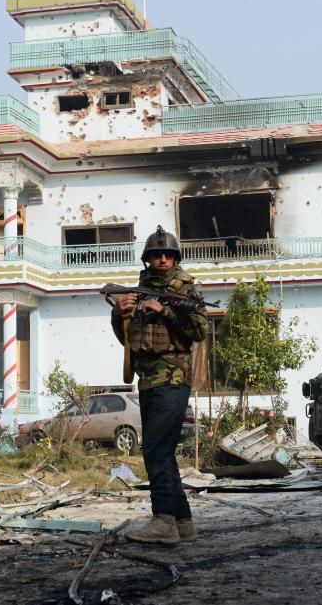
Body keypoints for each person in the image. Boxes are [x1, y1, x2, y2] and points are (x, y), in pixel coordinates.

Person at [111, 225, 208, 544]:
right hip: (148, 381)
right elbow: (128, 338)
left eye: (168, 254)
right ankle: (182, 523)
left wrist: (164, 310)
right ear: (148, 259)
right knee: (161, 451)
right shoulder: (138, 290)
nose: (163, 259)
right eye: (156, 255)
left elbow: (198, 332)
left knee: (155, 448)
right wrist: (119, 312)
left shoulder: (185, 288)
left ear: (175, 257)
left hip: (173, 379)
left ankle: (163, 520)